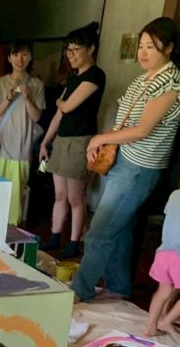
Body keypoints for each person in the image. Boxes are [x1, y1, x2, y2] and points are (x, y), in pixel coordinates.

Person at [72, 17, 180, 304]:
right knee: (118, 230)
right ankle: (118, 288)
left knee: (99, 233)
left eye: (151, 47)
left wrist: (99, 138)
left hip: (139, 168)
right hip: (122, 160)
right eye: (141, 46)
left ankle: (80, 290)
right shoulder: (144, 78)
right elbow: (123, 122)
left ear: (169, 47)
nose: (143, 52)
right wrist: (104, 142)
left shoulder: (170, 83)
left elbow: (143, 130)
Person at [40, 23, 106, 259]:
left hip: (80, 141)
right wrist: (45, 141)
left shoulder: (95, 75)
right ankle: (55, 236)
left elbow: (66, 106)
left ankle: (74, 242)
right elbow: (59, 115)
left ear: (91, 49)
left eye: (76, 49)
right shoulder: (74, 78)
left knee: (75, 198)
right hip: (62, 139)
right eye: (68, 50)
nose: (71, 55)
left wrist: (59, 101)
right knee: (59, 195)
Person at [0, 39, 45, 225]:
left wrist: (27, 99)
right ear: (9, 58)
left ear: (30, 57)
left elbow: (36, 117)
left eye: (25, 54)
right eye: (16, 54)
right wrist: (8, 98)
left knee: (14, 199)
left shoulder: (37, 85)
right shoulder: (0, 83)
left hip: (21, 149)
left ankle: (10, 236)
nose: (20, 59)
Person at [146, 189, 180, 335]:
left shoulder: (175, 194)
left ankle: (151, 327)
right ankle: (166, 321)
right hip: (179, 256)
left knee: (163, 291)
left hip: (163, 251)